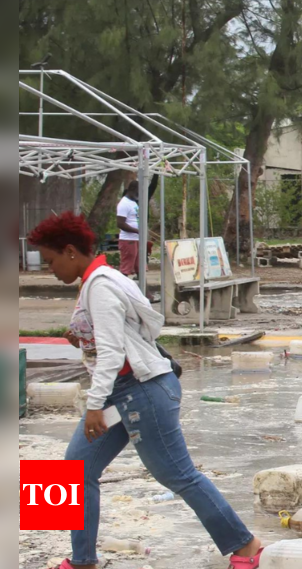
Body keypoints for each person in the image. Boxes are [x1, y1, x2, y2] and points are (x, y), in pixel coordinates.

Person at [28, 212, 264, 569]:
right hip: (122, 391)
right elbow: (124, 333)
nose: (50, 270)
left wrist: (93, 405)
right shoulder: (98, 278)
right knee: (73, 471)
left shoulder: (102, 285)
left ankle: (246, 546)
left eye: (50, 261)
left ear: (71, 251)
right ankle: (82, 561)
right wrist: (83, 336)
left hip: (141, 390)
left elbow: (113, 353)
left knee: (177, 474)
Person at [116, 182, 140, 278]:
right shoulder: (124, 203)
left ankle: (146, 292)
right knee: (126, 269)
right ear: (133, 189)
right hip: (128, 240)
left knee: (140, 267)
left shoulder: (133, 202)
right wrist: (137, 231)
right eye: (139, 191)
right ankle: (119, 290)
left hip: (136, 239)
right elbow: (120, 223)